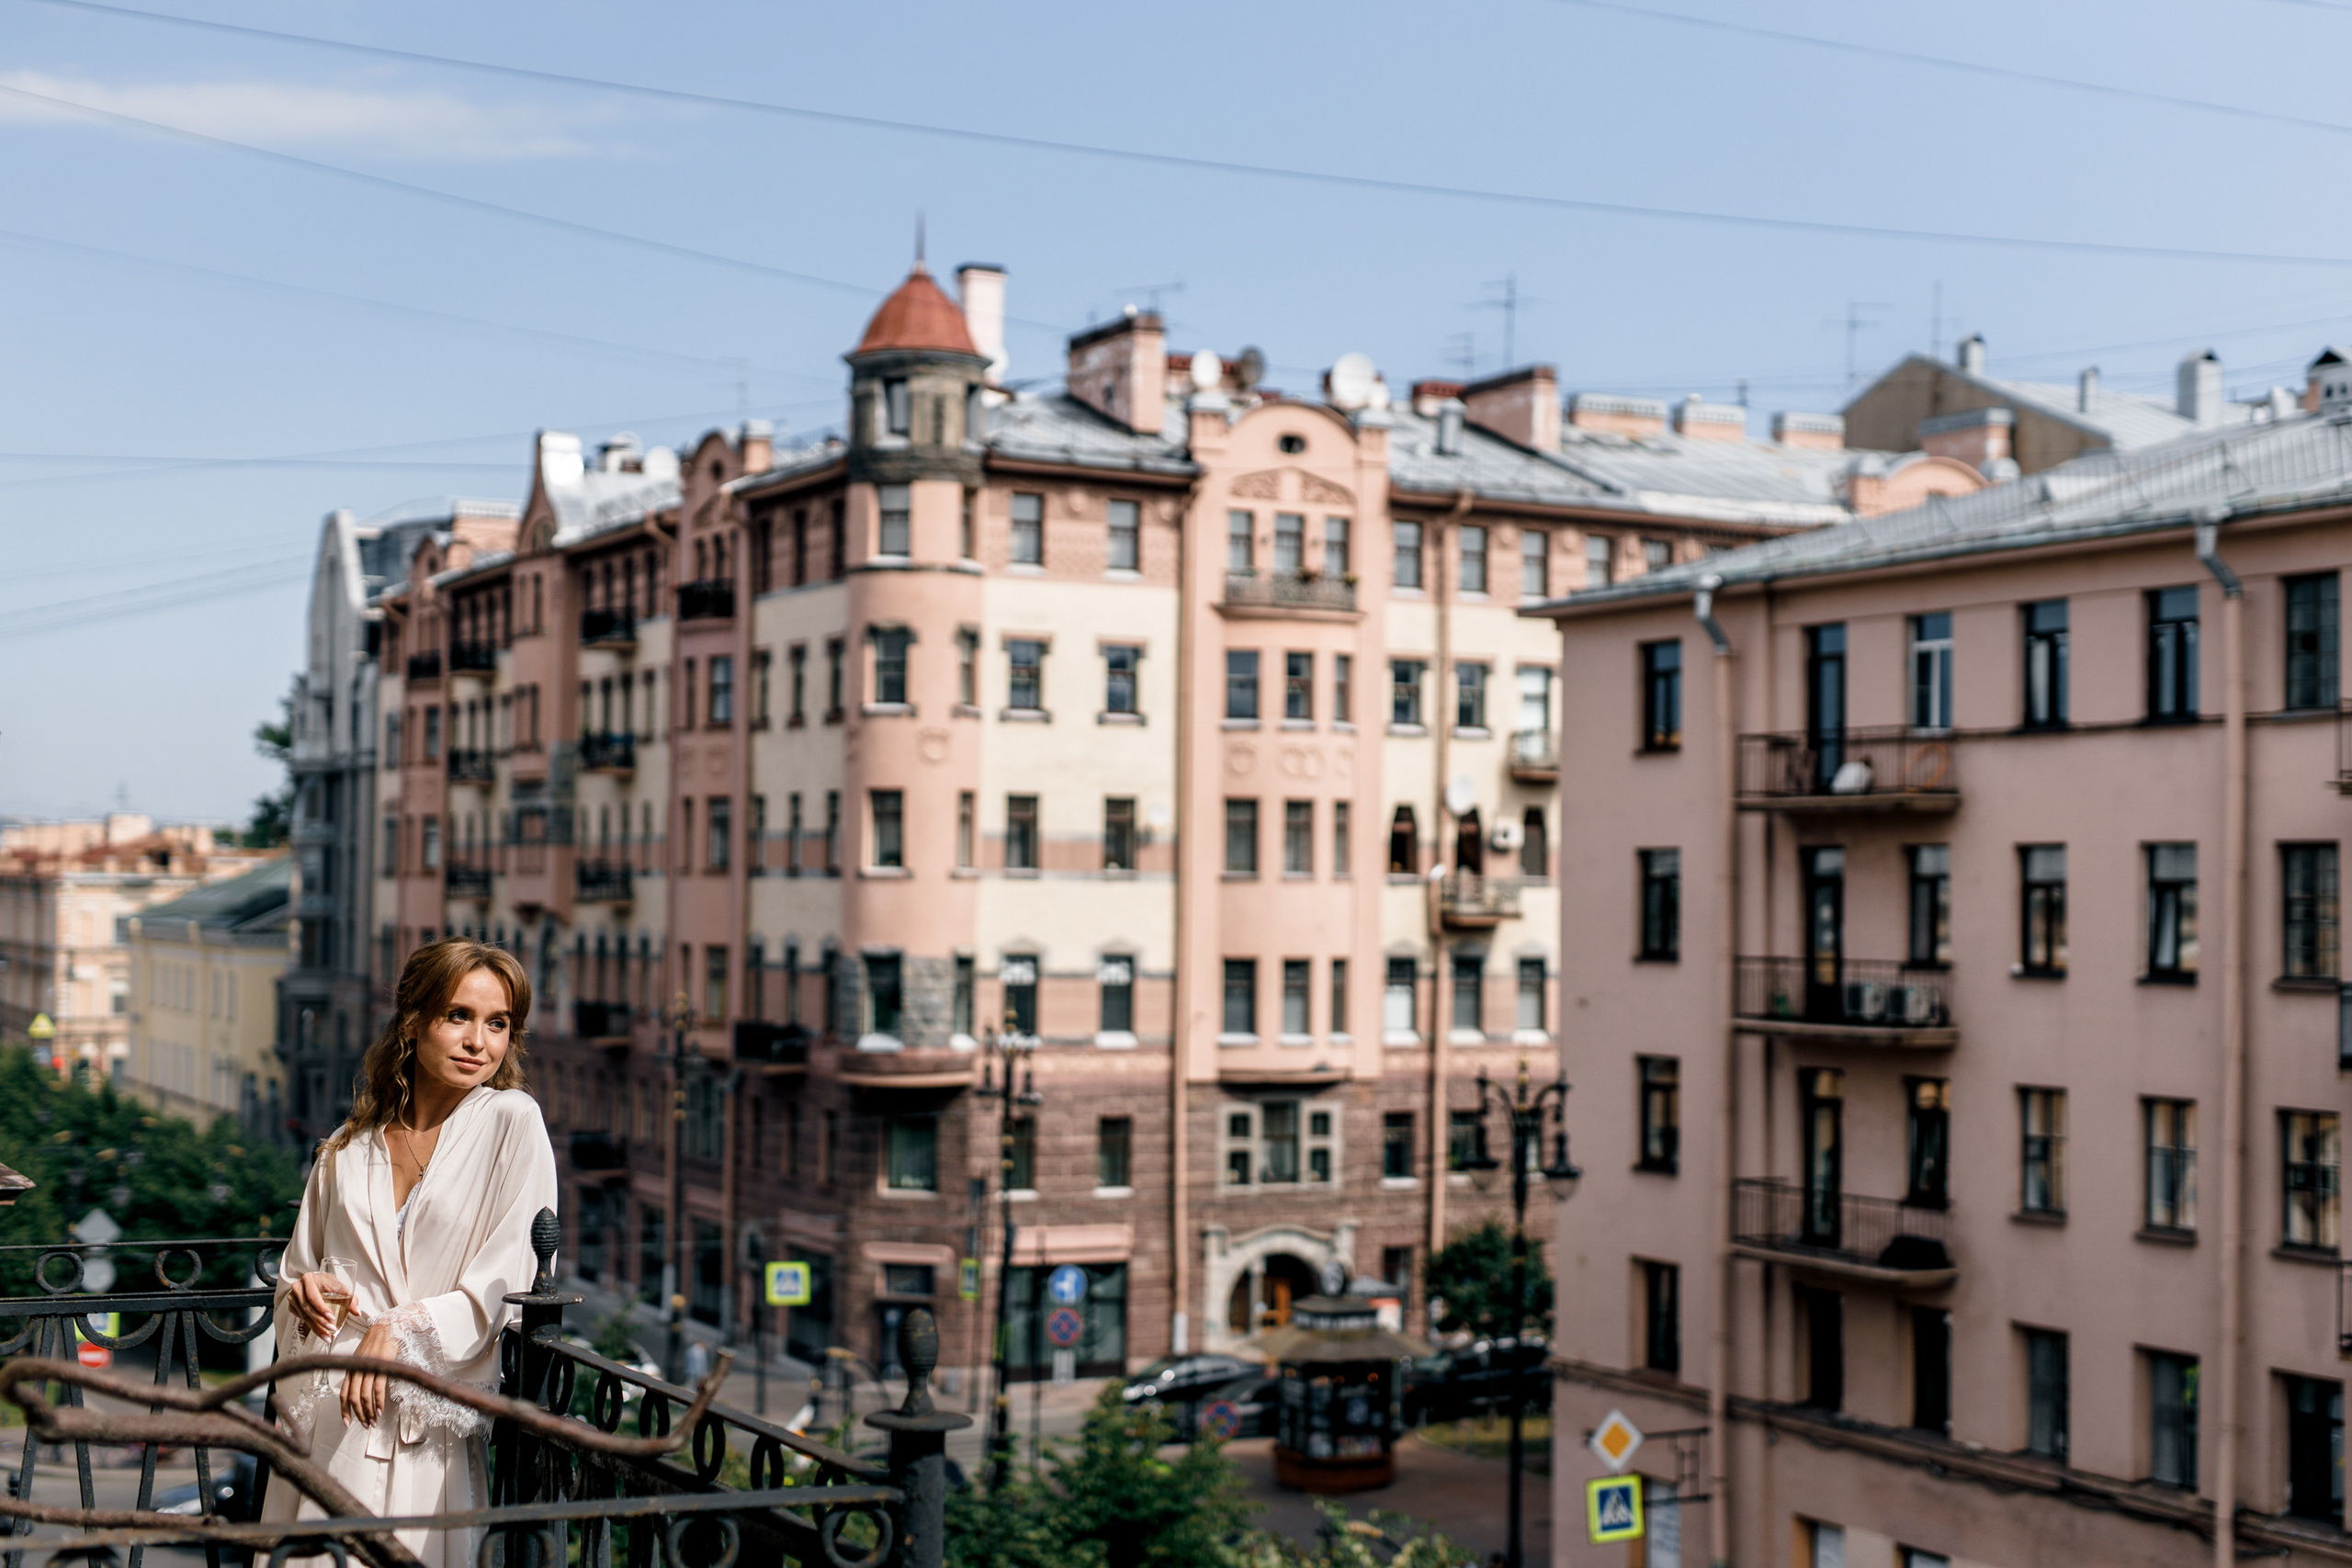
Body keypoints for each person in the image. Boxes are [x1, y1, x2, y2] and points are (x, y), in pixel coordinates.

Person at [265, 939, 558, 1567]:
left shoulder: (512, 1121)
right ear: (413, 1020)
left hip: (425, 1439)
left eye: (498, 1023)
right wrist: (305, 1289)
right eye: (458, 1015)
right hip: (330, 1430)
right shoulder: (348, 1145)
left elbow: (509, 1273)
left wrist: (402, 1327)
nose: (478, 1041)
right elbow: (296, 1270)